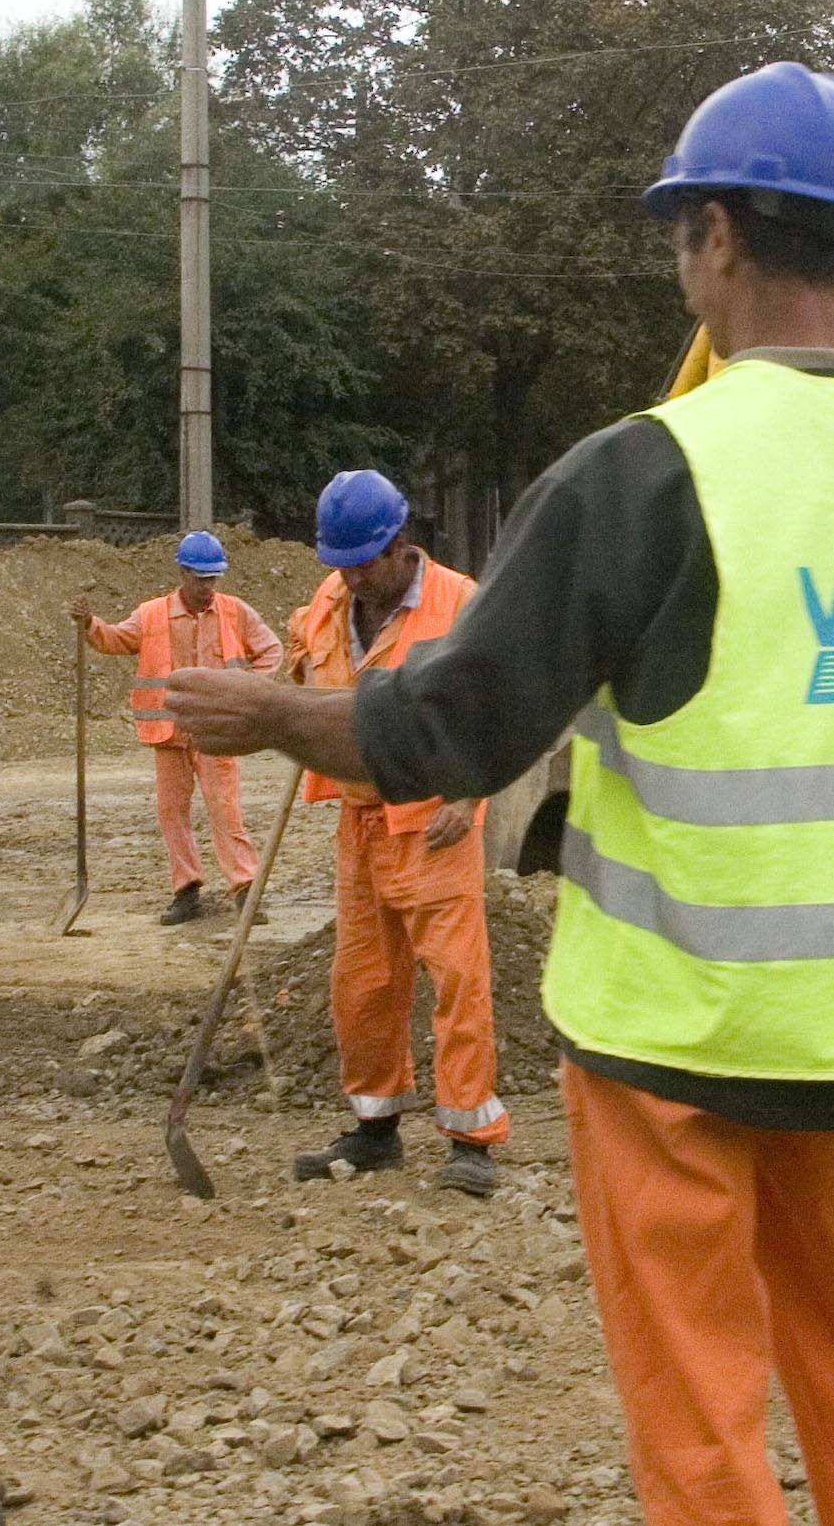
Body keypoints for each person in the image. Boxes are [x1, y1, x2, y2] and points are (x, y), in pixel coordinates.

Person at [164, 62, 834, 1526]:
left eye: (683, 226)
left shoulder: (646, 472)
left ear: (722, 237)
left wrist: (274, 713)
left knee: (695, 1400)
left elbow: (455, 728)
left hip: (671, 1035)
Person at [283, 470, 507, 1198]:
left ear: (399, 546)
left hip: (432, 822)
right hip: (359, 821)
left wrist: (470, 790)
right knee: (362, 985)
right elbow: (303, 654)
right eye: (337, 566)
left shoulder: (458, 604)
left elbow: (497, 710)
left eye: (360, 564)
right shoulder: (329, 601)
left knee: (456, 980)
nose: (348, 579)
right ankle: (375, 1128)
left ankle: (469, 1139)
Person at [68, 530, 282, 925]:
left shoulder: (234, 612)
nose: (208, 586)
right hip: (169, 732)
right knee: (171, 812)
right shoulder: (151, 615)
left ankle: (245, 889)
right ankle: (186, 891)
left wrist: (246, 688)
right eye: (201, 578)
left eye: (213, 578)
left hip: (215, 731)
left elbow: (271, 650)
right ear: (183, 572)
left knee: (225, 810)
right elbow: (115, 639)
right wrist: (90, 624)